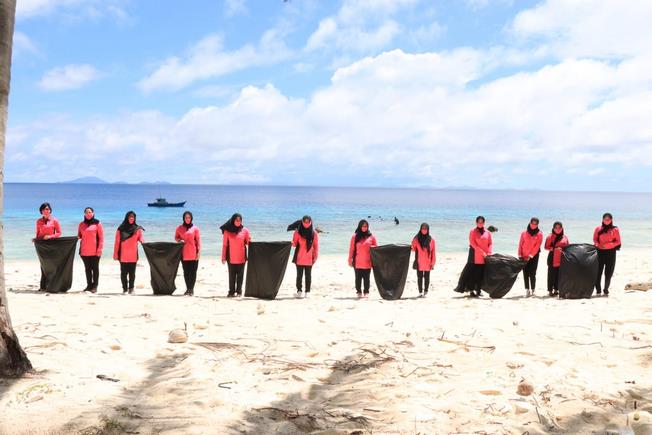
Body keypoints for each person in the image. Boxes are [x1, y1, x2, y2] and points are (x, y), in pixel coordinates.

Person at [113, 211, 144, 295]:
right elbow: (117, 242)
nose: (131, 218)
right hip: (123, 254)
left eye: (133, 217)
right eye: (130, 217)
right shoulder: (120, 228)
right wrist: (115, 254)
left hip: (133, 254)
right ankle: (125, 289)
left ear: (135, 218)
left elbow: (141, 238)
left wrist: (143, 242)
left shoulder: (137, 228)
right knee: (123, 273)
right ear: (127, 218)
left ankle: (131, 288)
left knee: (132, 273)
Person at [288, 215, 319, 299]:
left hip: (310, 258)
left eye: (307, 221)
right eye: (304, 221)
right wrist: (293, 238)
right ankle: (299, 291)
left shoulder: (314, 233)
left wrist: (315, 257)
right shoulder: (297, 232)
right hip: (299, 257)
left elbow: (316, 246)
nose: (306, 223)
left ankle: (307, 291)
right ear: (302, 222)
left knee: (308, 275)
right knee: (299, 275)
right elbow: (294, 244)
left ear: (310, 222)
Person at [221, 213, 250, 297]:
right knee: (232, 275)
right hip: (231, 257)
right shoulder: (227, 231)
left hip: (242, 257)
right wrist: (223, 257)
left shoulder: (245, 230)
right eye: (237, 220)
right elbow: (224, 245)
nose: (238, 222)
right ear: (233, 220)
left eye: (240, 220)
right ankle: (231, 292)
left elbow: (248, 243)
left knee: (240, 276)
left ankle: (239, 292)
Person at [35, 202, 62, 291]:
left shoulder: (55, 220)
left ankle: (52, 285)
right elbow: (38, 234)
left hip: (52, 245)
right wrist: (35, 239)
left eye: (47, 209)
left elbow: (59, 233)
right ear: (41, 211)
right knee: (43, 265)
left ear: (50, 210)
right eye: (44, 209)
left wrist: (50, 236)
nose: (46, 211)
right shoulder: (38, 221)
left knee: (51, 265)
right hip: (42, 245)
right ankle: (43, 286)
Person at [348, 219, 378, 298]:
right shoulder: (355, 236)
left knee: (366, 278)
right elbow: (351, 249)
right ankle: (358, 291)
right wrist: (350, 259)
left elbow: (376, 249)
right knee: (358, 278)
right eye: (363, 226)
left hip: (368, 261)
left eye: (366, 226)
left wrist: (373, 247)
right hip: (357, 261)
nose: (364, 228)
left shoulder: (372, 237)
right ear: (360, 226)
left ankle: (366, 292)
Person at [593, 213, 622, 296]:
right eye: (605, 219)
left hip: (611, 253)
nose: (607, 221)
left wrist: (609, 245)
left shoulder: (615, 229)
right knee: (598, 272)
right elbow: (595, 239)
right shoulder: (598, 229)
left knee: (608, 273)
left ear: (611, 220)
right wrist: (598, 245)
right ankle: (598, 290)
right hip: (600, 253)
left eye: (608, 219)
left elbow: (618, 241)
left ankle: (606, 289)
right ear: (602, 220)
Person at [77, 207, 103, 293]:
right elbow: (79, 236)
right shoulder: (81, 224)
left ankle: (95, 286)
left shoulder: (97, 224)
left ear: (93, 213)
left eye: (90, 212)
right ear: (84, 214)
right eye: (87, 212)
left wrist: (99, 249)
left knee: (95, 269)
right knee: (87, 269)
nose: (88, 214)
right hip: (84, 251)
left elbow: (101, 238)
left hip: (95, 251)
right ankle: (89, 285)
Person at [175, 211, 201, 296]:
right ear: (183, 218)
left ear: (191, 218)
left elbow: (198, 241)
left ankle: (191, 289)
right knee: (186, 272)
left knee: (193, 272)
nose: (187, 219)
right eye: (186, 217)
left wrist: (198, 252)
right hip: (183, 253)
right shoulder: (179, 228)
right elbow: (176, 237)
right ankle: (187, 289)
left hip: (193, 253)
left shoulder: (195, 228)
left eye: (189, 217)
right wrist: (179, 240)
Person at [467, 216, 492, 297]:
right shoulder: (472, 231)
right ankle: (471, 290)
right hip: (474, 256)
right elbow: (472, 243)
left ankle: (478, 290)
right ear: (476, 222)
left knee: (481, 274)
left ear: (484, 223)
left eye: (482, 222)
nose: (480, 224)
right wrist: (482, 252)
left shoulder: (487, 232)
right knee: (473, 274)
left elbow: (490, 243)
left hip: (485, 256)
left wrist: (489, 252)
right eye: (478, 222)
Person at [518, 217, 543, 297]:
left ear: (537, 224)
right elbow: (520, 244)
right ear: (530, 223)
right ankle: (527, 290)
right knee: (525, 273)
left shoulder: (539, 234)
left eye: (535, 224)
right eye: (532, 223)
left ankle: (533, 290)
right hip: (524, 256)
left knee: (532, 273)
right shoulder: (524, 233)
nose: (533, 225)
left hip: (534, 256)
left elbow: (537, 246)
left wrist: (530, 256)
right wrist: (520, 255)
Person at [411, 223, 436, 297]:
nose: (424, 230)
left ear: (428, 230)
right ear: (420, 229)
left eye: (425, 229)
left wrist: (433, 262)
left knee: (427, 277)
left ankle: (426, 291)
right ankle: (420, 292)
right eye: (422, 228)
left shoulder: (432, 240)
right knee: (419, 277)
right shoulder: (416, 239)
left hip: (428, 262)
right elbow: (413, 248)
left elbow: (433, 252)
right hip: (419, 261)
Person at [544, 221, 569, 297]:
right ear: (553, 228)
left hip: (561, 258)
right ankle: (550, 290)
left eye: (559, 228)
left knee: (559, 275)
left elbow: (568, 247)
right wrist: (554, 249)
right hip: (552, 257)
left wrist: (563, 249)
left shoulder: (565, 237)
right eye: (556, 228)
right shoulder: (550, 237)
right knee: (551, 275)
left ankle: (556, 290)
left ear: (562, 228)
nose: (558, 229)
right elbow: (546, 247)